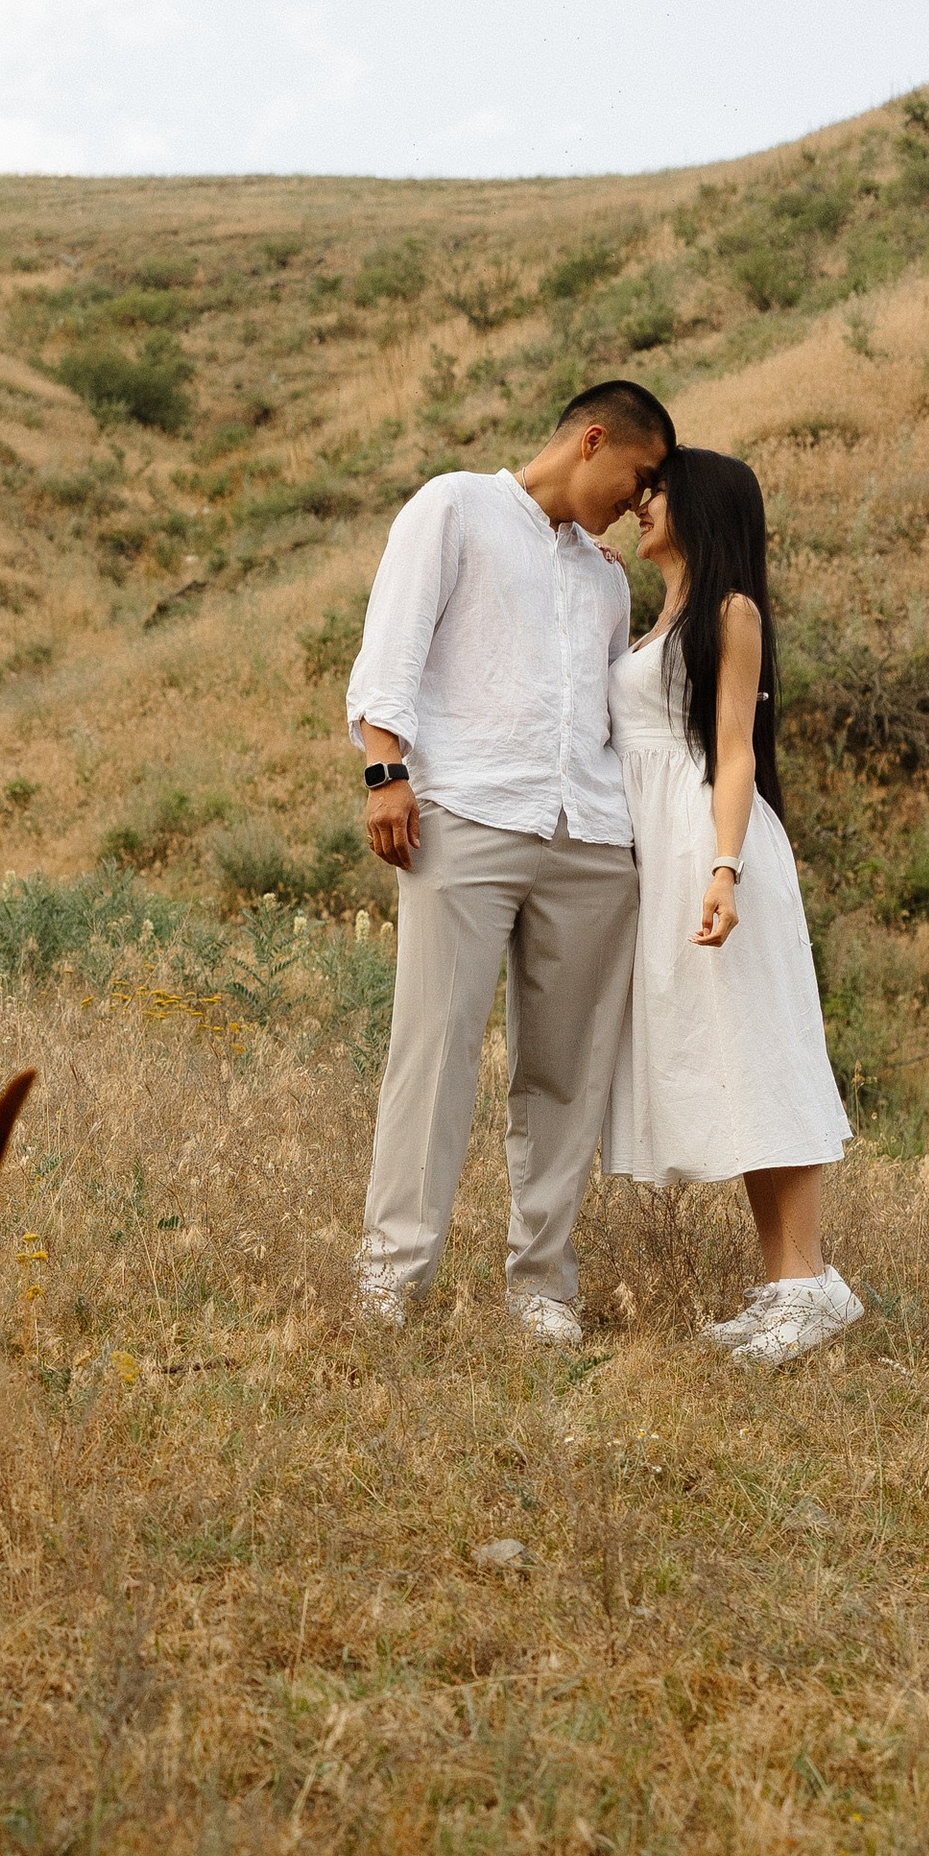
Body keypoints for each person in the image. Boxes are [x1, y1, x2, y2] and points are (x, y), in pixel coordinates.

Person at [345, 381, 673, 1340]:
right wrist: (383, 772)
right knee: (434, 1051)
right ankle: (394, 1278)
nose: (639, 502)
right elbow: (390, 648)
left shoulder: (610, 576)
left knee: (568, 1070)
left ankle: (540, 1288)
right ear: (593, 440)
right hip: (470, 816)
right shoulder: (454, 506)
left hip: (592, 840)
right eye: (637, 478)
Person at [604, 445, 859, 1364]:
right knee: (727, 1057)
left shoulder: (730, 610)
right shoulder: (657, 614)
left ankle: (805, 1284)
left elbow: (736, 749)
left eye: (656, 493)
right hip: (663, 851)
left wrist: (723, 868)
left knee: (761, 1050)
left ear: (700, 506)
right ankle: (794, 1282)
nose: (640, 505)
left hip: (710, 846)